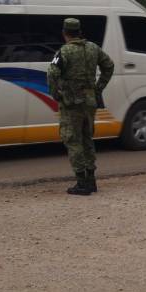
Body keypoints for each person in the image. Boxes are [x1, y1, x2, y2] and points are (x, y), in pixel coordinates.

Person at [47, 17, 114, 195]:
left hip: (71, 103)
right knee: (87, 139)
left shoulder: (64, 52)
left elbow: (52, 73)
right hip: (90, 102)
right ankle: (91, 181)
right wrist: (98, 88)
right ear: (79, 31)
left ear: (64, 33)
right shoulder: (93, 48)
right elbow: (109, 66)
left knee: (72, 140)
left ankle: (82, 183)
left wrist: (56, 95)